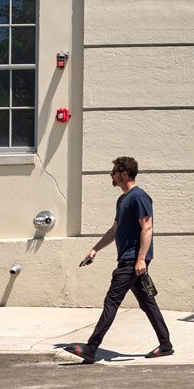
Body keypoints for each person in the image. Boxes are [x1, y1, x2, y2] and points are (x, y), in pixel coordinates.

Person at [59, 156, 175, 364]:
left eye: (113, 172)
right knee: (148, 303)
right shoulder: (122, 199)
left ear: (124, 173)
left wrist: (141, 259)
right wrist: (95, 249)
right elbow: (114, 230)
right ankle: (165, 344)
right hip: (129, 259)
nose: (111, 175)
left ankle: (91, 348)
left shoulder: (140, 197)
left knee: (111, 300)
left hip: (132, 261)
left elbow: (147, 227)